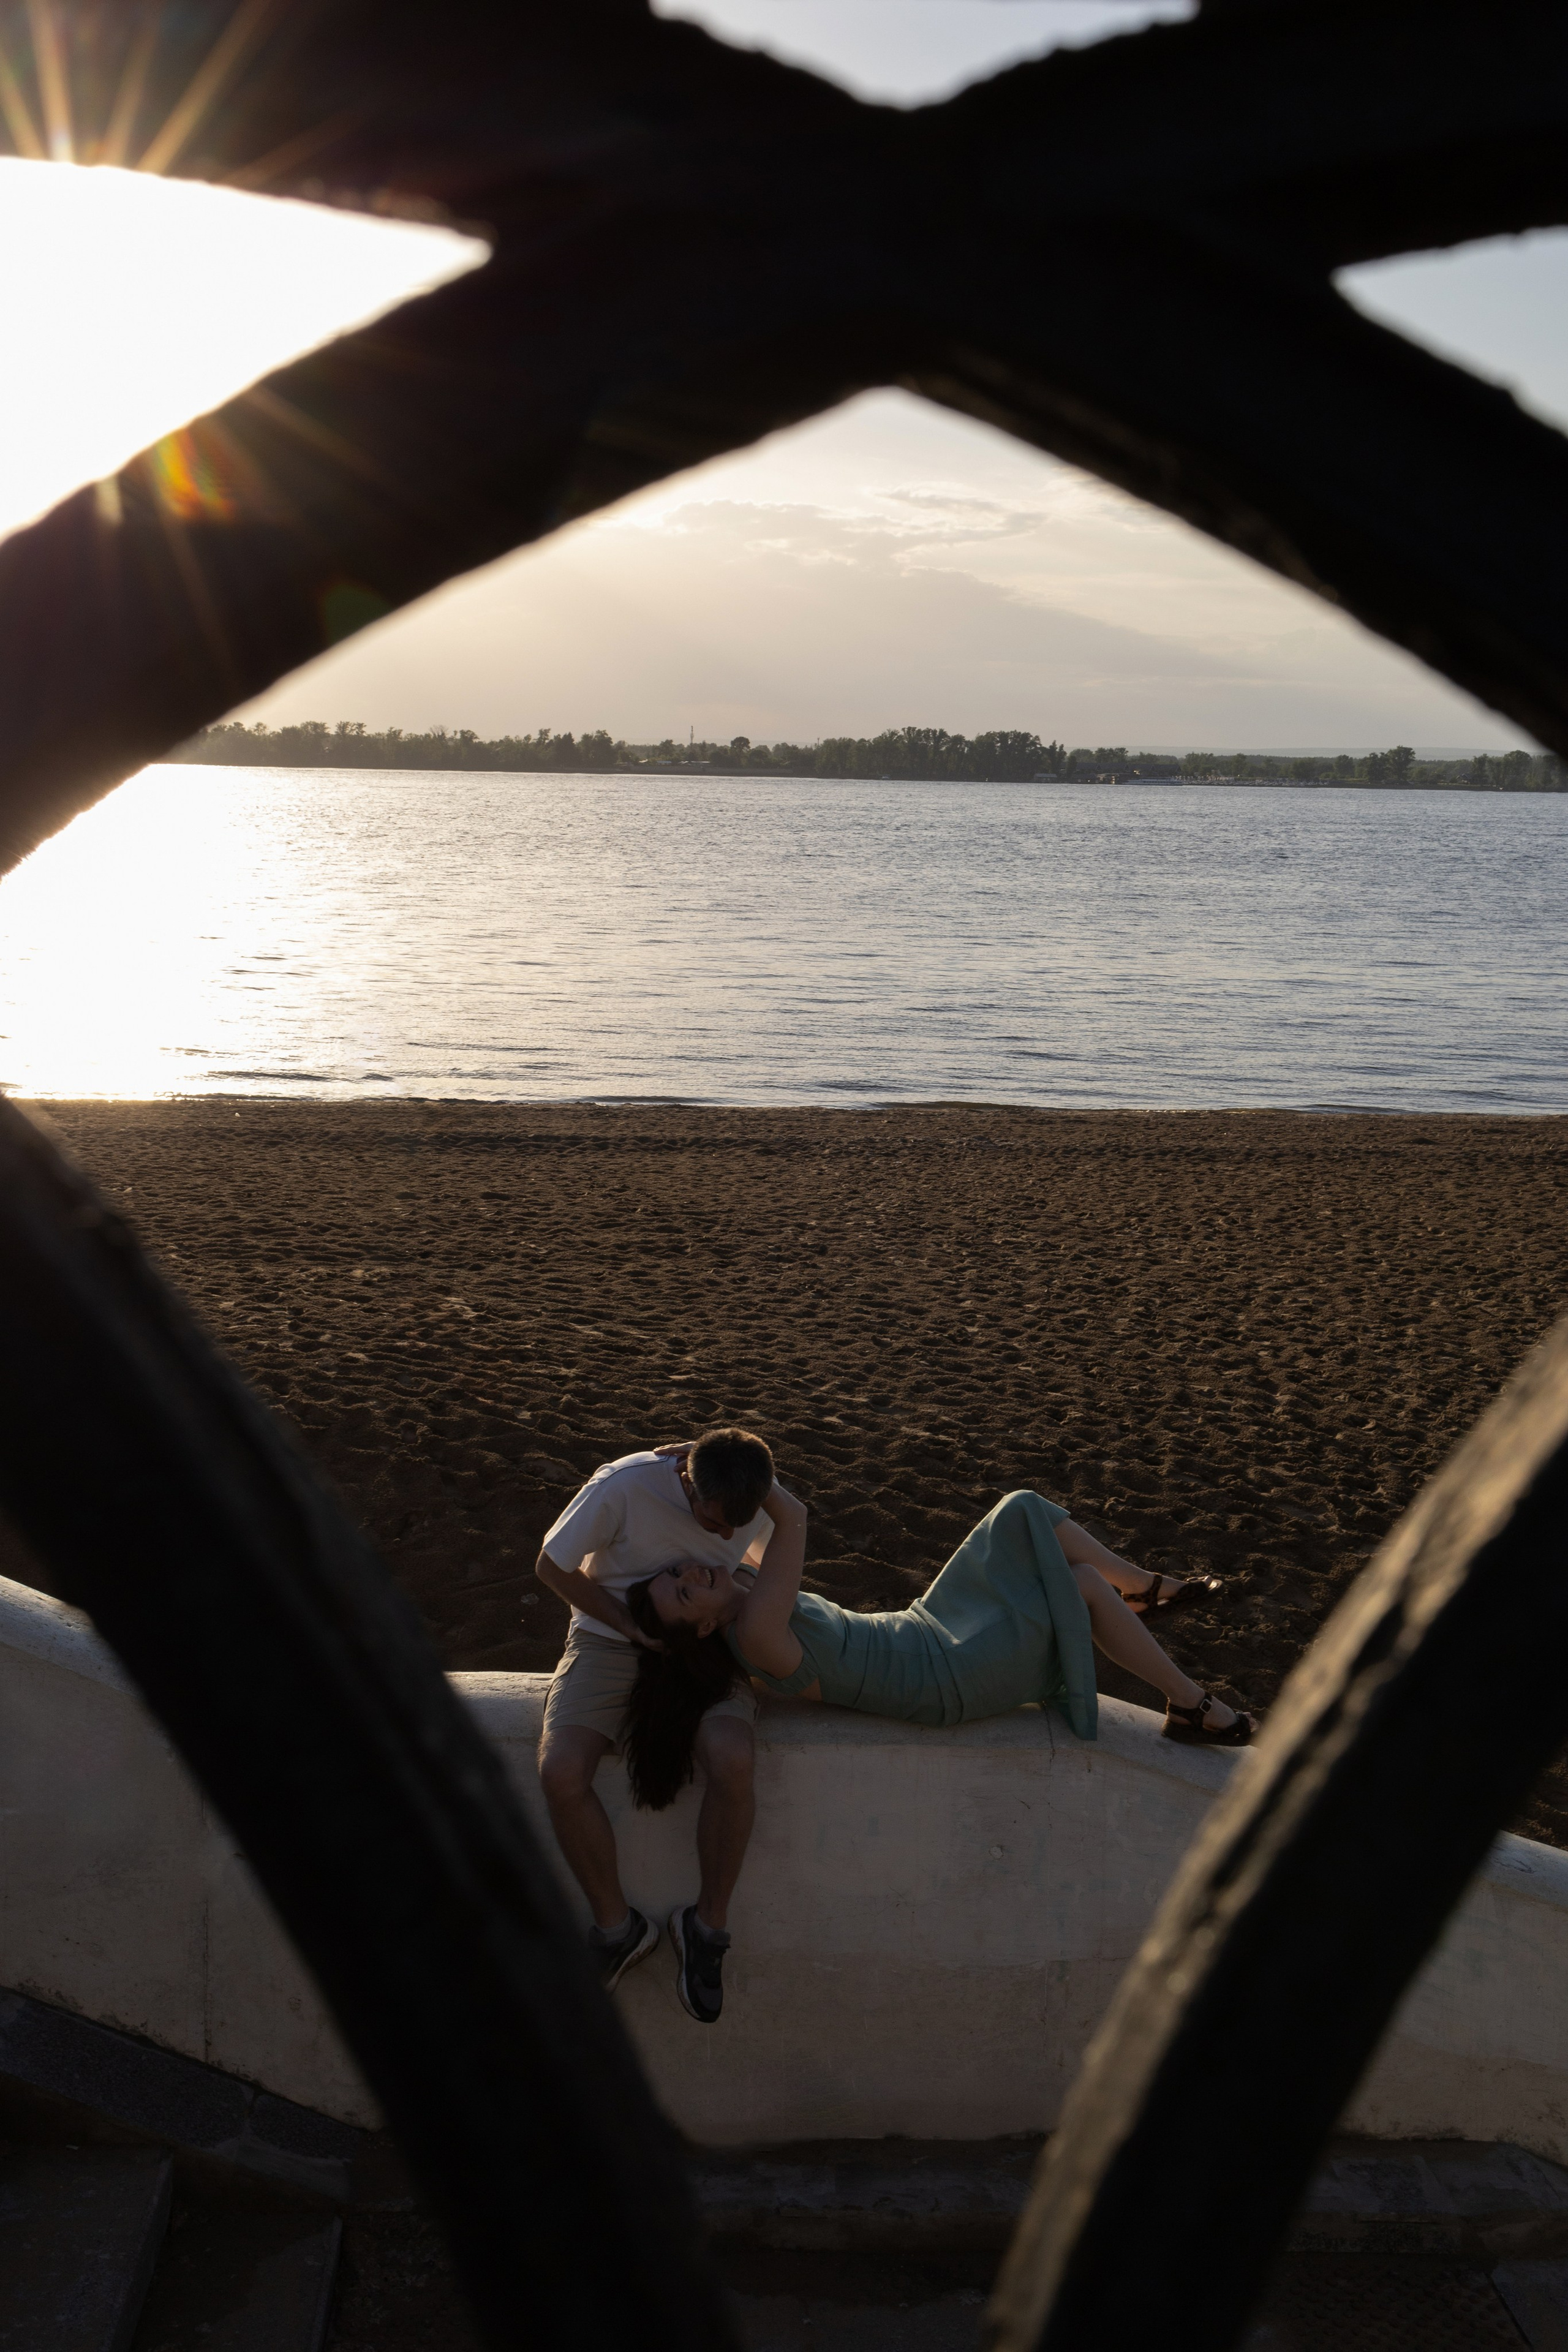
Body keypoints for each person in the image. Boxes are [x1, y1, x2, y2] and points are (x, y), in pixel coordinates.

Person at [616, 1487, 1253, 1815]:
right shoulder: (754, 1631)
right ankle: (1188, 1703)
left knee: (1021, 1509)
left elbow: (743, 1521)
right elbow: (790, 1514)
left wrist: (692, 1476)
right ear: (703, 1629)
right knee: (1082, 1586)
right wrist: (733, 1462)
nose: (689, 1574)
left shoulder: (742, 1587)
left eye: (676, 1572)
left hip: (926, 1628)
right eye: (683, 1594)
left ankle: (1142, 1588)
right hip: (945, 1677)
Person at [533, 1427, 805, 2025]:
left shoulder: (747, 1497)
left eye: (736, 1527)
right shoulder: (624, 1486)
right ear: (686, 1479)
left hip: (700, 1643)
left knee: (733, 1756)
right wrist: (628, 1627)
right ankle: (617, 1929)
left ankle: (706, 1927)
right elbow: (551, 1565)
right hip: (608, 1635)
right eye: (713, 1523)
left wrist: (731, 1606)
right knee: (561, 1772)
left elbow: (770, 1567)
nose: (725, 1538)